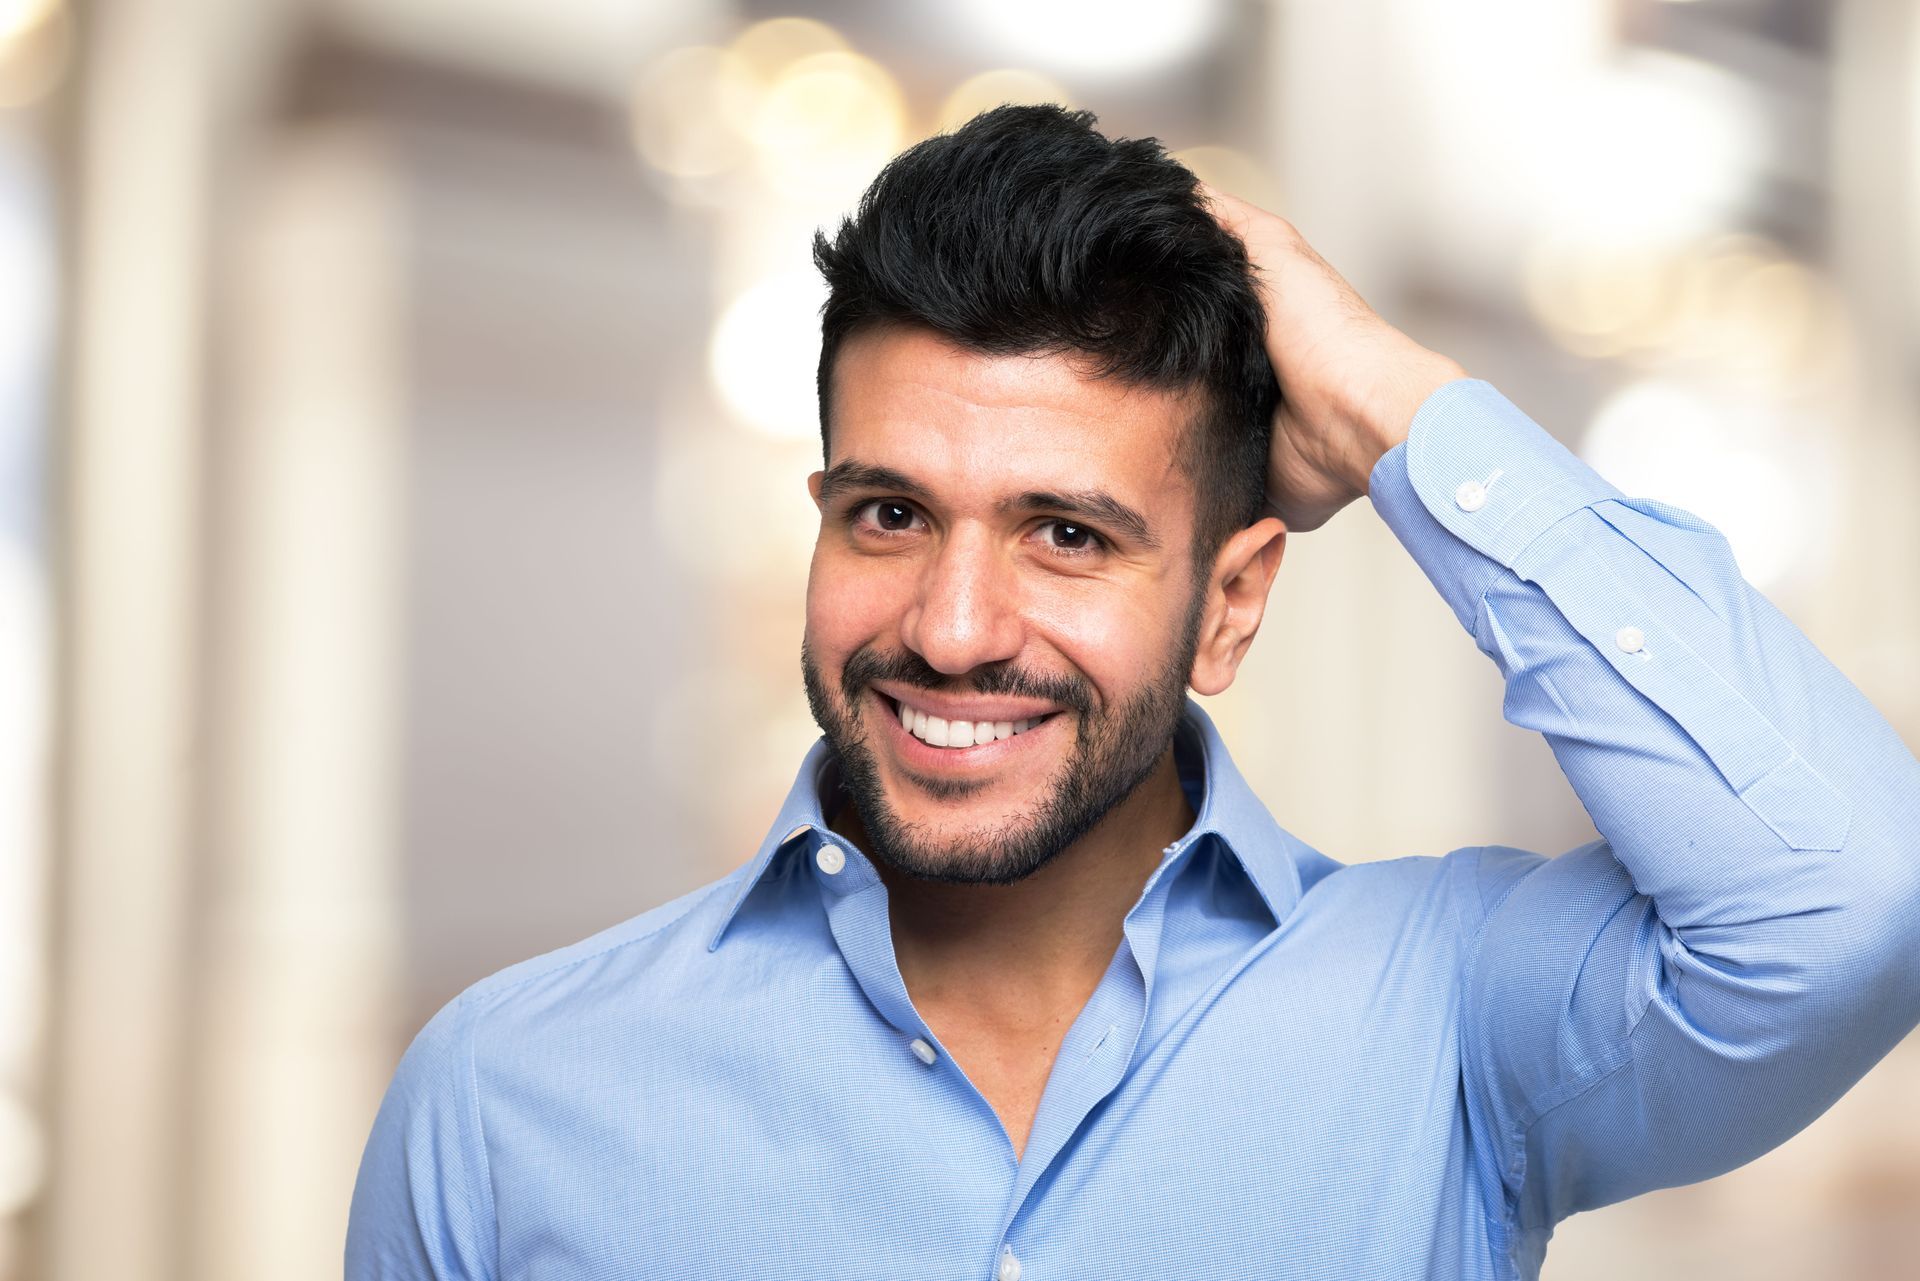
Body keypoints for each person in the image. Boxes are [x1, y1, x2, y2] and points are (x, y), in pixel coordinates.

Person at [345, 105, 1920, 1280]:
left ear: (1228, 604)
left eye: (1068, 533)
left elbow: (1850, 894)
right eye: (890, 514)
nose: (954, 628)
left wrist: (1392, 403)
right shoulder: (502, 1102)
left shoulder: (1450, 1015)